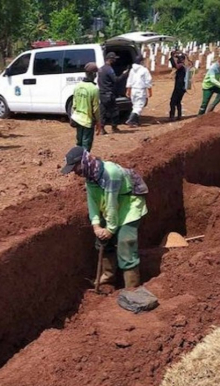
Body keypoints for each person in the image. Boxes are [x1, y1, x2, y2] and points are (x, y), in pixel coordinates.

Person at [60, 146, 148, 289]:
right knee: (102, 241)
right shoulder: (90, 176)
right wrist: (96, 226)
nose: (75, 173)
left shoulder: (110, 173)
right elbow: (92, 202)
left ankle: (132, 288)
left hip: (129, 205)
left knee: (126, 242)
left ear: (83, 162)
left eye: (75, 168)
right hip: (112, 207)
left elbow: (112, 203)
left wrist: (110, 230)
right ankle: (107, 279)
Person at [70, 62, 101, 151]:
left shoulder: (78, 86)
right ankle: (84, 163)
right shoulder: (94, 89)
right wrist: (98, 122)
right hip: (87, 121)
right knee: (86, 145)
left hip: (77, 119)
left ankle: (77, 161)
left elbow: (74, 105)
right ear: (94, 74)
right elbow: (96, 109)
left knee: (79, 142)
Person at [98, 52, 127, 134]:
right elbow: (116, 80)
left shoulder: (101, 69)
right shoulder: (109, 69)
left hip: (102, 93)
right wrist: (124, 74)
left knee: (102, 111)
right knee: (114, 111)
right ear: (110, 59)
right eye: (114, 59)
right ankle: (114, 127)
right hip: (109, 94)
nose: (115, 60)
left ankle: (102, 129)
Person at [125, 55, 152, 127]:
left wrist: (128, 90)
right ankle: (130, 120)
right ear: (141, 62)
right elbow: (148, 82)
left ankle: (135, 122)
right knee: (139, 106)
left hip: (133, 90)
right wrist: (150, 92)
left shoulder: (132, 70)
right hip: (140, 90)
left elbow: (129, 81)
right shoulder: (144, 70)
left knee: (135, 106)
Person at [168, 51, 187, 121]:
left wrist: (172, 57)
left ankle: (172, 116)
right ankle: (179, 116)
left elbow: (176, 66)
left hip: (179, 88)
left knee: (173, 102)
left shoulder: (181, 66)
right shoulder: (183, 66)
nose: (177, 60)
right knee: (178, 102)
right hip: (181, 88)